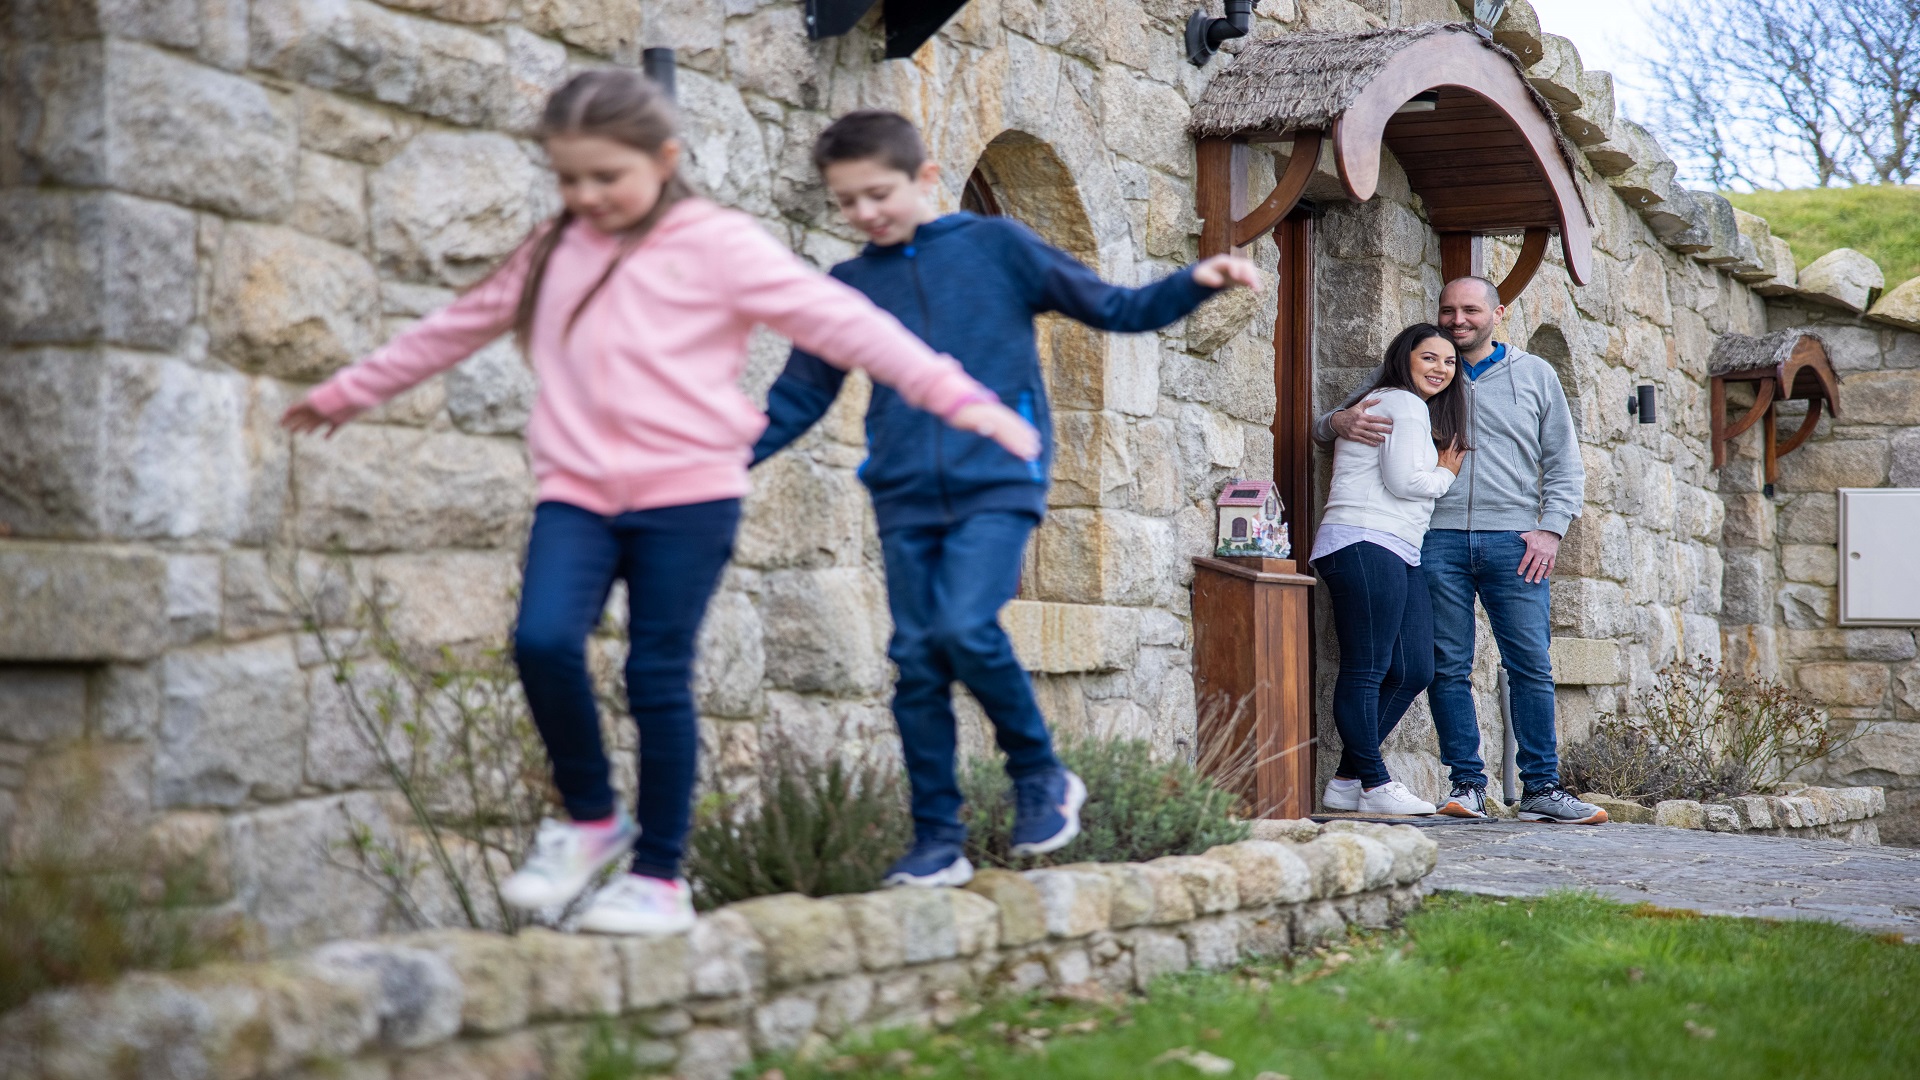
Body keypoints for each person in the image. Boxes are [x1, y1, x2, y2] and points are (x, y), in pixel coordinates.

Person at [280, 72, 1042, 935]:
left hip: (689, 496)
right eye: (569, 179)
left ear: (665, 159)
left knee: (655, 673)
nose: (586, 197)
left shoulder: (719, 245)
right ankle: (590, 819)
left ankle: (658, 878)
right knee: (542, 640)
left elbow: (850, 326)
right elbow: (458, 324)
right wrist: (349, 391)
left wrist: (966, 402)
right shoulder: (555, 247)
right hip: (578, 491)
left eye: (607, 177)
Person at [753, 111, 1263, 887]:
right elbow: (798, 396)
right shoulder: (850, 287)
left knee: (964, 626)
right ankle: (937, 842)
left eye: (878, 194)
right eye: (847, 201)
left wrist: (1193, 283)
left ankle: (1039, 774)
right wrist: (719, 458)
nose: (864, 212)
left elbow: (1115, 309)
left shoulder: (998, 247)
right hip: (903, 496)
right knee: (917, 663)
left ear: (926, 178)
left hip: (997, 480)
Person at [1315, 277, 1606, 825]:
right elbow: (1330, 423)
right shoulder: (1417, 374)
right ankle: (1467, 785)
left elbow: (1564, 462)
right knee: (1447, 667)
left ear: (1498, 312)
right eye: (1448, 310)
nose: (1458, 320)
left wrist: (1551, 529)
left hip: (1515, 541)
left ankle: (1542, 788)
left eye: (1470, 309)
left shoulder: (1535, 374)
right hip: (1434, 539)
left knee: (1530, 664)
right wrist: (1336, 420)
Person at [1313, 324, 1466, 817]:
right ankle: (1376, 783)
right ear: (1404, 358)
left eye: (1449, 361)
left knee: (1415, 668)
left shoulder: (1405, 405)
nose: (1440, 368)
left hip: (1399, 546)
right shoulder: (1403, 402)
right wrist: (1446, 473)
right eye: (1429, 357)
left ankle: (1346, 781)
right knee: (1367, 668)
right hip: (1363, 538)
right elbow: (1405, 482)